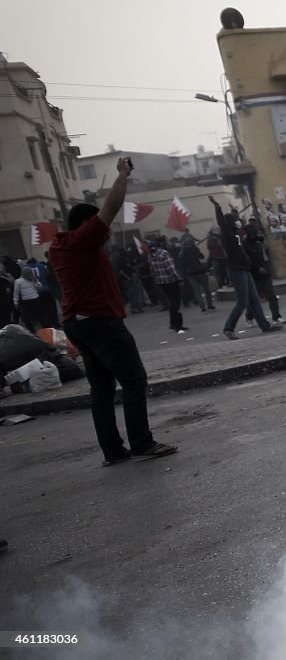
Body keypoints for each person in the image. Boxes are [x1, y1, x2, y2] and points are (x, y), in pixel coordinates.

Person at [49, 157, 177, 466]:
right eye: (100, 228)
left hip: (78, 323)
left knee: (102, 388)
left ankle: (113, 450)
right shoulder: (81, 242)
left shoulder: (61, 246)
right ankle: (142, 443)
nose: (106, 234)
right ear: (85, 225)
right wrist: (122, 174)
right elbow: (112, 206)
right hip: (100, 322)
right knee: (133, 380)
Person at [209, 196, 283, 340]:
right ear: (230, 223)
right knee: (242, 301)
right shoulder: (227, 234)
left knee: (254, 299)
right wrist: (217, 207)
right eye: (235, 220)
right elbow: (222, 222)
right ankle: (228, 328)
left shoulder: (235, 235)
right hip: (236, 270)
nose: (238, 222)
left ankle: (265, 325)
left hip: (244, 269)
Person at [243, 231, 284, 324]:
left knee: (271, 296)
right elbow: (248, 260)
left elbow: (265, 257)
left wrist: (267, 268)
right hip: (254, 275)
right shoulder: (245, 246)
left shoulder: (259, 244)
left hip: (264, 273)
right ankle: (249, 316)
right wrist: (257, 268)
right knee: (254, 299)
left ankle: (276, 316)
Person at [148, 238, 187, 333]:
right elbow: (170, 268)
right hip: (171, 281)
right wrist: (178, 278)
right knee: (175, 302)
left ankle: (175, 324)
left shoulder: (150, 255)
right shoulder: (164, 253)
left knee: (172, 301)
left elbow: (152, 270)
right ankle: (176, 324)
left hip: (161, 282)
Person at [181, 238, 214, 313]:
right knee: (206, 290)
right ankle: (210, 305)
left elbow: (182, 265)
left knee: (197, 292)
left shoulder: (182, 253)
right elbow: (201, 257)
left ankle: (202, 308)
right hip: (200, 272)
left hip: (191, 274)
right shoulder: (195, 249)